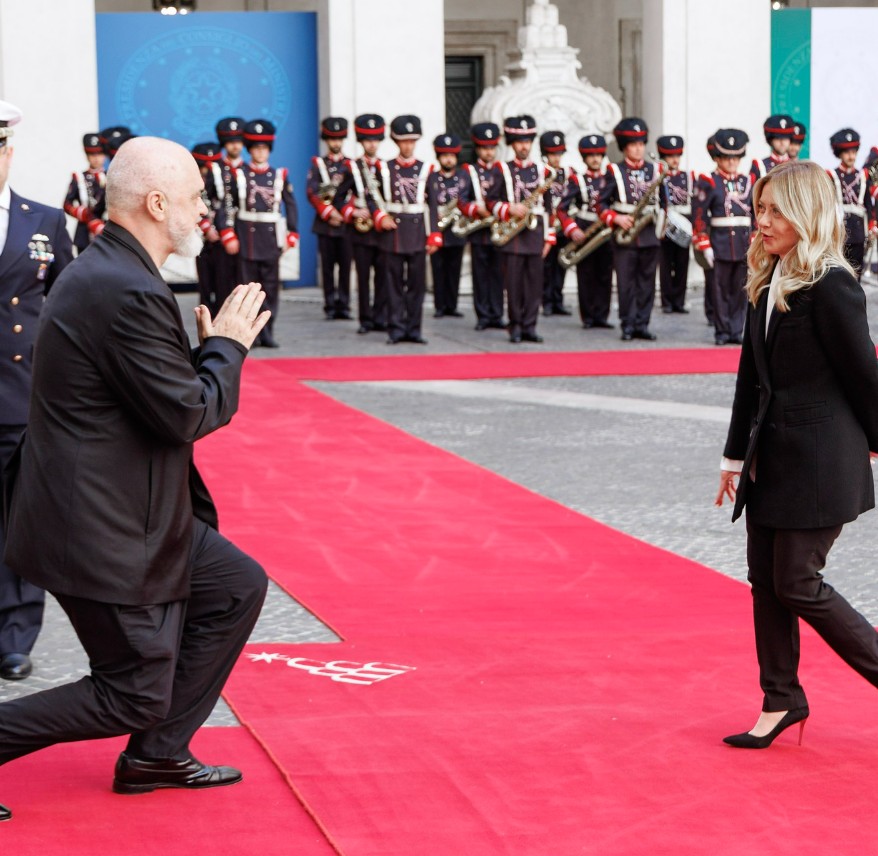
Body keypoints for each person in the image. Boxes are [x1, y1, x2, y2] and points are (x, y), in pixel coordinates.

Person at [0, 136, 270, 823]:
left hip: (127, 509)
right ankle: (143, 734)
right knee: (130, 693)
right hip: (100, 526)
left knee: (235, 585)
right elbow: (187, 413)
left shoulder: (113, 271)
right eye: (195, 197)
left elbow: (155, 394)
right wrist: (229, 349)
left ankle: (156, 754)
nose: (205, 211)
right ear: (157, 203)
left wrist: (206, 351)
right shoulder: (122, 286)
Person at [716, 158, 878, 750]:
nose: (761, 221)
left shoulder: (832, 284)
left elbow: (866, 377)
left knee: (797, 581)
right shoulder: (771, 275)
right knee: (766, 581)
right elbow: (748, 378)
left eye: (774, 210)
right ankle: (781, 698)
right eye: (759, 208)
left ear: (806, 213)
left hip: (820, 460)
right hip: (771, 458)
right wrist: (734, 458)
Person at [0, 99, 73, 687]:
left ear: (9, 151)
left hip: (23, 398)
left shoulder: (44, 221)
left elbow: (71, 308)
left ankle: (15, 637)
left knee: (23, 521)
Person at [216, 118, 298, 348]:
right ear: (249, 150)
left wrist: (292, 232)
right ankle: (246, 333)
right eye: (255, 148)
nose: (260, 153)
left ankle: (267, 331)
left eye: (264, 148)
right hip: (246, 238)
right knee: (246, 289)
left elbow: (291, 204)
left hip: (270, 240)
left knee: (270, 289)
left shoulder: (279, 175)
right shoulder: (238, 174)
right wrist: (227, 233)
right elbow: (226, 205)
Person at [487, 115, 555, 343]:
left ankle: (530, 326)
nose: (523, 146)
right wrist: (508, 208)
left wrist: (549, 237)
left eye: (527, 141)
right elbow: (490, 201)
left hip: (535, 233)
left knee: (535, 284)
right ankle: (515, 326)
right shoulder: (501, 169)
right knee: (514, 284)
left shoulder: (542, 170)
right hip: (512, 233)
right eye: (519, 141)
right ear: (512, 144)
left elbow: (548, 207)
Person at [597, 116, 662, 341]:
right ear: (625, 147)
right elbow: (600, 204)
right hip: (624, 235)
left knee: (647, 284)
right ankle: (628, 323)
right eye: (634, 145)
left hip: (649, 235)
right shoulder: (614, 170)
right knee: (626, 283)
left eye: (642, 144)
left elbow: (666, 203)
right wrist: (616, 218)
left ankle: (642, 324)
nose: (639, 149)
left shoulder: (655, 170)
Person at [372, 115, 430, 345]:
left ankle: (414, 329)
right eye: (404, 141)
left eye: (412, 141)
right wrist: (380, 216)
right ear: (396, 142)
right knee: (393, 284)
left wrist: (433, 235)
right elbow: (371, 197)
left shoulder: (426, 168)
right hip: (392, 232)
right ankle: (395, 329)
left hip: (417, 232)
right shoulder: (384, 168)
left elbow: (433, 205)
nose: (408, 145)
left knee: (417, 286)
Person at [692, 129, 752, 345]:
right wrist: (703, 243)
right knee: (719, 291)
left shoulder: (748, 181)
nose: (732, 162)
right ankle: (722, 332)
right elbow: (698, 214)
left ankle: (736, 331)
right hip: (719, 244)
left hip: (743, 245)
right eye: (727, 158)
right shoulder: (708, 181)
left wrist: (755, 238)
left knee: (740, 290)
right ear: (718, 158)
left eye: (736, 158)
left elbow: (753, 213)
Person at [333, 113, 388, 335]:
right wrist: (353, 211)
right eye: (367, 140)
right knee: (363, 278)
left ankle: (381, 317)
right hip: (360, 230)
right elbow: (338, 198)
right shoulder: (352, 167)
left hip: (381, 230)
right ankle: (365, 319)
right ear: (361, 141)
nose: (371, 144)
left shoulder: (387, 167)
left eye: (375, 139)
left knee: (384, 276)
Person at [556, 133, 614, 330]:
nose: (595, 159)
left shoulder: (611, 177)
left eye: (599, 154)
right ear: (584, 158)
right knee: (586, 274)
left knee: (605, 273)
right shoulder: (576, 180)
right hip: (585, 228)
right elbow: (561, 208)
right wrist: (572, 229)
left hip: (605, 229)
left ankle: (602, 316)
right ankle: (588, 316)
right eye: (591, 155)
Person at [457, 122, 505, 331]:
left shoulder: (502, 171)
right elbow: (461, 200)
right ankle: (483, 315)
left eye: (492, 147)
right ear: (477, 149)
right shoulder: (469, 171)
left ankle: (497, 314)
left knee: (498, 275)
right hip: (479, 232)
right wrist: (476, 210)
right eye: (485, 148)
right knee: (480, 275)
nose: (489, 152)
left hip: (501, 230)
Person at [306, 116, 352, 320]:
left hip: (345, 224)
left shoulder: (351, 165)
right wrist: (329, 212)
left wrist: (343, 214)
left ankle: (344, 304)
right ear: (326, 140)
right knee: (327, 268)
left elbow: (357, 193)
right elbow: (312, 192)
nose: (336, 143)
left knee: (345, 267)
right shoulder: (318, 164)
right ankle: (330, 305)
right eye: (332, 139)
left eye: (339, 139)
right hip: (325, 224)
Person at [425, 133, 467, 319]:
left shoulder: (464, 177)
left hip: (457, 230)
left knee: (454, 269)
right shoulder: (431, 178)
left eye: (451, 155)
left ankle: (452, 305)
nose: (448, 159)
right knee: (438, 268)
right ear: (438, 157)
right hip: (437, 228)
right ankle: (440, 306)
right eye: (444, 155)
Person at [827, 128, 876, 279]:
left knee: (856, 275)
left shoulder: (862, 176)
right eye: (847, 152)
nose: (851, 156)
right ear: (840, 153)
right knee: (839, 275)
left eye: (854, 152)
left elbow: (869, 205)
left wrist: (872, 225)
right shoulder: (831, 175)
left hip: (858, 233)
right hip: (838, 233)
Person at [209, 117, 246, 310]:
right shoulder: (215, 170)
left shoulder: (248, 170)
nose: (235, 146)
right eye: (231, 142)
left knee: (243, 282)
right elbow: (206, 201)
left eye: (238, 141)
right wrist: (210, 228)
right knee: (222, 283)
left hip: (245, 233)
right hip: (221, 234)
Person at [655, 134, 692, 314]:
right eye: (670, 156)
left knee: (682, 264)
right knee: (665, 264)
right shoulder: (659, 177)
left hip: (683, 225)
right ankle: (667, 301)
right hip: (666, 224)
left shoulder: (688, 177)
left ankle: (679, 301)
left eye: (677, 156)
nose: (674, 160)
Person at [539, 131, 572, 317]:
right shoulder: (541, 173)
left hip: (562, 226)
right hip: (547, 225)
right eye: (553, 154)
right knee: (547, 266)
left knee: (561, 264)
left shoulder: (567, 174)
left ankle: (558, 300)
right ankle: (546, 301)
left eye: (559, 154)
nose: (556, 158)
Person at [192, 141, 224, 314]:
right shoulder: (193, 185)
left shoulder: (223, 181)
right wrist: (206, 228)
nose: (208, 170)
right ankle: (205, 316)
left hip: (221, 238)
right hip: (201, 240)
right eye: (204, 166)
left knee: (223, 283)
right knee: (204, 283)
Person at [63, 132, 106, 255]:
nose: (96, 158)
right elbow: (67, 203)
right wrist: (82, 213)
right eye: (92, 154)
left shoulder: (110, 177)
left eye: (99, 153)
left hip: (105, 229)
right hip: (84, 232)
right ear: (87, 155)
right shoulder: (79, 178)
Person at [749, 114, 794, 183]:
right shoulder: (760, 165)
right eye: (778, 138)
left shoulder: (796, 166)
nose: (782, 142)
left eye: (786, 138)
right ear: (770, 140)